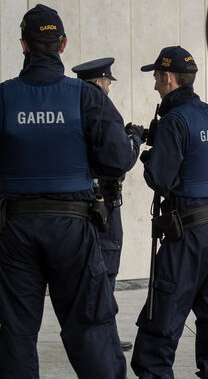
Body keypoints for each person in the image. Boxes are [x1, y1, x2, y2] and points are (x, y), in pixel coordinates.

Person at [0, 4, 141, 378]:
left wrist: (12, 155)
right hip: (73, 228)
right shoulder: (87, 97)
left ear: (23, 44)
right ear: (63, 44)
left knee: (17, 332)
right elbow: (118, 159)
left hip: (16, 229)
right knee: (89, 326)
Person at [131, 46, 208, 378]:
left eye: (156, 78)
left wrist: (150, 155)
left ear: (168, 78)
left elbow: (159, 179)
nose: (155, 86)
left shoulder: (174, 122)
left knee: (161, 321)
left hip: (187, 234)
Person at [71, 57, 142, 352]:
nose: (109, 88)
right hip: (104, 204)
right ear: (100, 81)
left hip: (78, 203)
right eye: (108, 82)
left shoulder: (72, 105)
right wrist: (134, 140)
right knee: (106, 267)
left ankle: (86, 331)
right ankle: (104, 335)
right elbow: (119, 161)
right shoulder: (100, 106)